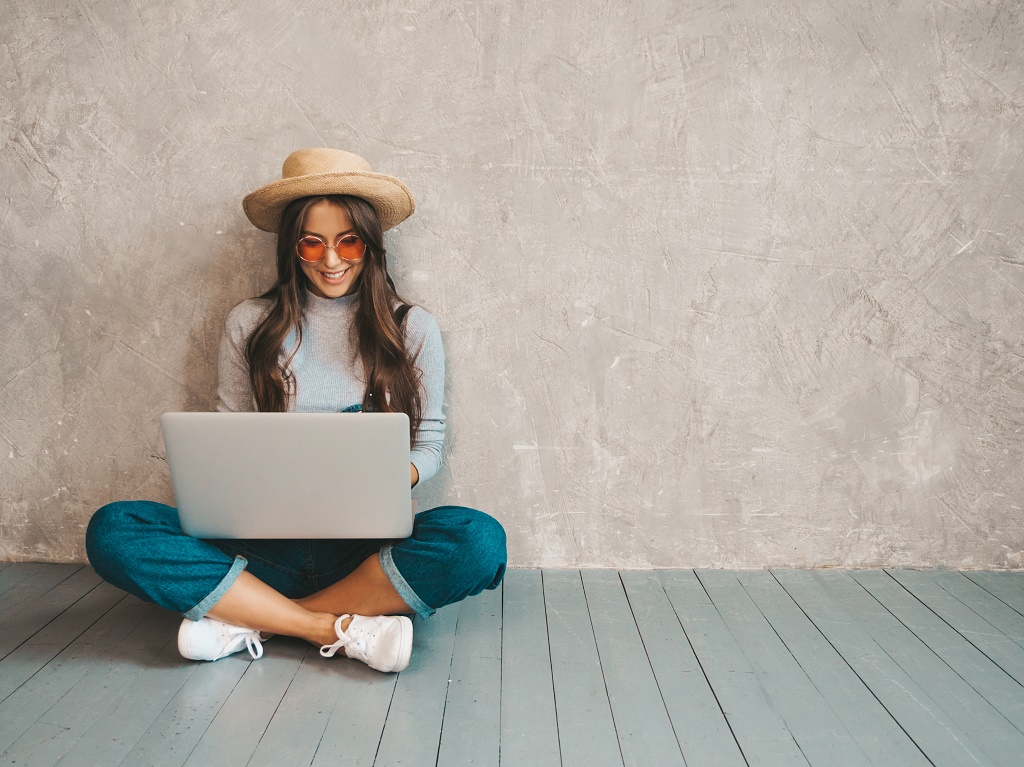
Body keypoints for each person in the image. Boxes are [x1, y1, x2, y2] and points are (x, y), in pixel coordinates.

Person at [86, 148, 507, 673]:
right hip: (260, 553)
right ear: (292, 247)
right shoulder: (249, 322)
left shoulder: (412, 328)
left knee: (478, 540)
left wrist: (393, 475)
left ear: (371, 244)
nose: (331, 260)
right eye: (313, 243)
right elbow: (228, 441)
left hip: (362, 556)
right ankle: (334, 628)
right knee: (114, 528)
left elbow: (430, 443)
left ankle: (248, 619)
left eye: (348, 241)